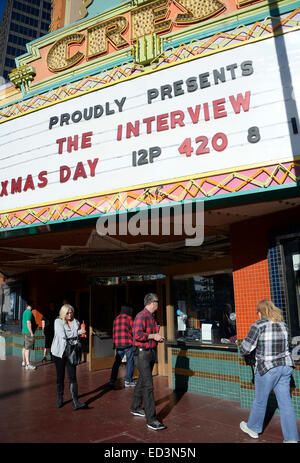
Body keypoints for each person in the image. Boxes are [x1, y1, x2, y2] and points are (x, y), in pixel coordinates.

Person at [239, 299, 299, 443]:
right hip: (285, 367)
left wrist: (241, 347)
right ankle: (291, 438)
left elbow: (245, 349)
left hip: (268, 368)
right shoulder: (283, 325)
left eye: (257, 312)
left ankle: (253, 428)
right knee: (286, 403)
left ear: (260, 312)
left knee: (260, 401)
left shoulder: (258, 325)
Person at [130, 293, 166, 431]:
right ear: (151, 302)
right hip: (141, 354)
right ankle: (151, 420)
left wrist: (156, 338)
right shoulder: (141, 316)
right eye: (157, 302)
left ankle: (135, 407)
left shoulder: (152, 317)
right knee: (148, 386)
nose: (158, 304)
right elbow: (137, 334)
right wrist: (153, 336)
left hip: (150, 352)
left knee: (142, 380)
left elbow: (150, 334)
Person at [51, 304, 87, 410]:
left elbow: (76, 338)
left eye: (71, 312)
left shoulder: (76, 322)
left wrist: (80, 334)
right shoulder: (58, 321)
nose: (70, 315)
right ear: (63, 313)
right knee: (60, 376)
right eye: (67, 313)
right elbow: (62, 335)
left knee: (73, 377)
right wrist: (77, 332)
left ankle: (75, 402)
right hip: (59, 353)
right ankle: (60, 399)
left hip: (71, 353)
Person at [109, 305, 135, 387]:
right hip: (128, 343)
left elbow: (113, 332)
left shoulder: (116, 319)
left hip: (118, 344)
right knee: (130, 361)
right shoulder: (129, 318)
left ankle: (112, 380)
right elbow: (133, 331)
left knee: (117, 362)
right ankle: (128, 381)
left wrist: (114, 344)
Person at [21, 301, 37, 370]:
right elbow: (28, 322)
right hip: (28, 332)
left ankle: (23, 362)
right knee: (27, 348)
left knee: (24, 347)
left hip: (24, 331)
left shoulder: (25, 312)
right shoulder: (29, 312)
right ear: (31, 305)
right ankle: (28, 364)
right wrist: (31, 332)